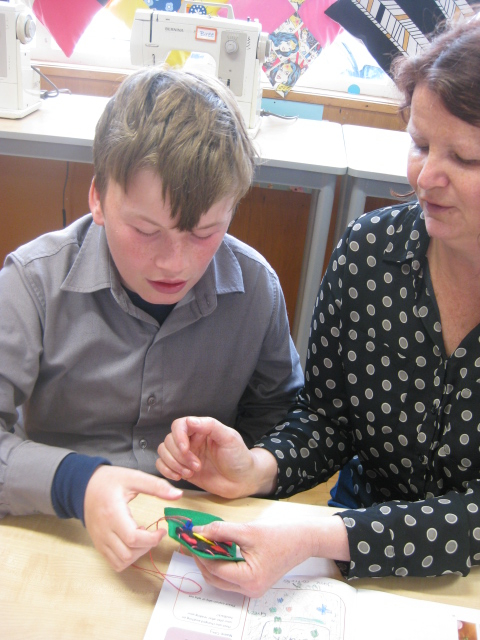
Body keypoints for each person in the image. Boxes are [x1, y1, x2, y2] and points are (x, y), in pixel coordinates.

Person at [157, 10, 480, 596]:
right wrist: (255, 468)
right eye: (420, 145)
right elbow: (329, 419)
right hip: (349, 558)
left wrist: (319, 535)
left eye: (464, 159)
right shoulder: (371, 252)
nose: (426, 176)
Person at [0, 66, 303, 571]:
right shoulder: (32, 283)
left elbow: (285, 418)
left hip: (199, 543)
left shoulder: (255, 288)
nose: (174, 264)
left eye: (205, 233)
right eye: (145, 230)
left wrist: (248, 461)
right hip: (61, 528)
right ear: (98, 198)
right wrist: (78, 483)